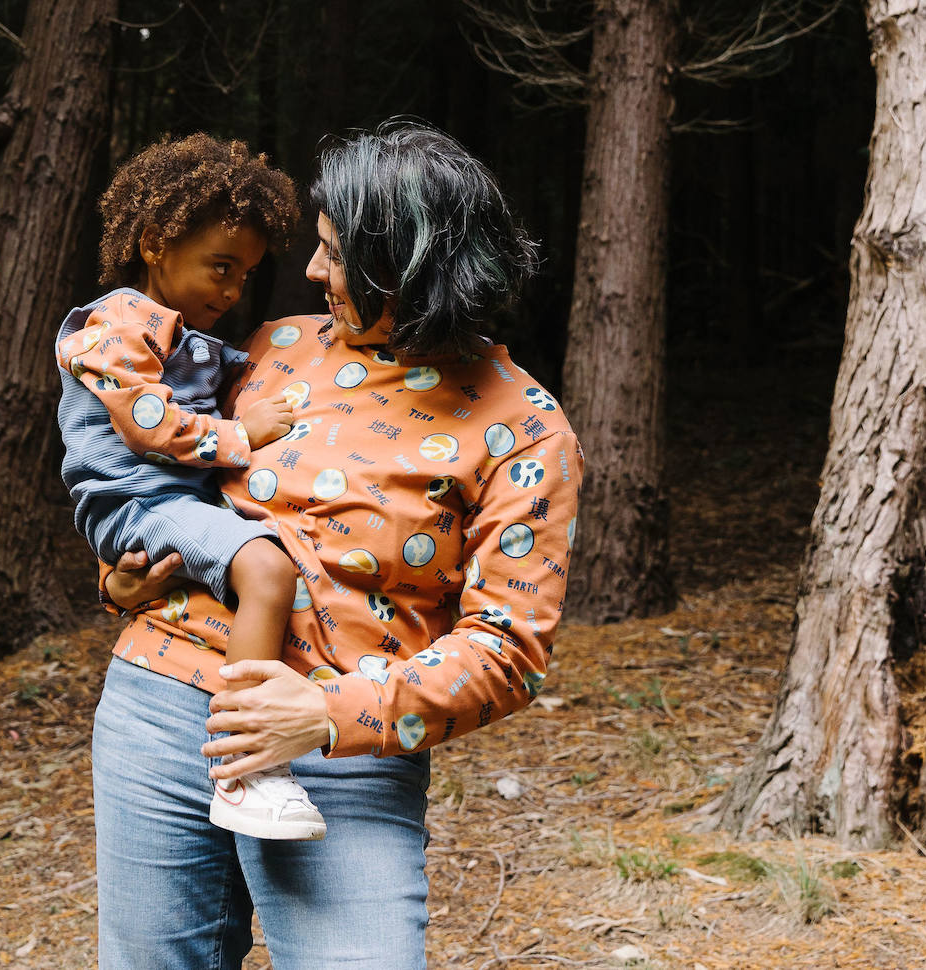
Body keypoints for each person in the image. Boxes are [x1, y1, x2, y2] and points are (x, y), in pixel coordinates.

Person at [92, 119, 584, 970]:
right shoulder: (272, 348)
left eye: (337, 254)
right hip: (159, 711)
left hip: (341, 753)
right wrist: (122, 580)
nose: (313, 271)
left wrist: (323, 715)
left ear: (413, 267)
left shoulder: (523, 427)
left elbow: (509, 652)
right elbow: (168, 479)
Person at [55, 133, 328, 840]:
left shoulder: (183, 337)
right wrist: (246, 434)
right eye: (221, 267)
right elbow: (150, 425)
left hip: (170, 503)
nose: (234, 290)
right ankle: (246, 768)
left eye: (246, 275)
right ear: (153, 242)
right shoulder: (111, 328)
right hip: (138, 504)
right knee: (266, 569)